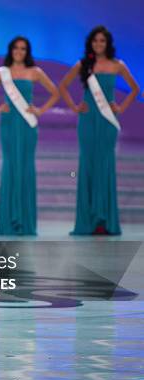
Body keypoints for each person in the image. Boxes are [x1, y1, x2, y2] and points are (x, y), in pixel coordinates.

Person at [59, 26, 140, 235]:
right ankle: (88, 221)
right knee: (87, 165)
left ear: (108, 43)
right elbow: (63, 87)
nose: (98, 44)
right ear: (90, 43)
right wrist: (76, 107)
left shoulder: (117, 65)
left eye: (102, 41)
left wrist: (120, 107)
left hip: (107, 121)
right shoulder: (84, 65)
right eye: (95, 41)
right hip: (87, 120)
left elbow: (135, 89)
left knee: (105, 164)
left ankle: (105, 221)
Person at [0, 36, 59, 235]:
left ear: (27, 52)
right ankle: (7, 222)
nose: (19, 51)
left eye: (23, 49)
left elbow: (55, 93)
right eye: (16, 48)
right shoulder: (2, 73)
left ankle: (25, 222)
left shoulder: (35, 72)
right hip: (8, 124)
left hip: (27, 126)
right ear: (11, 50)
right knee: (9, 166)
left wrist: (40, 110)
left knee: (25, 167)